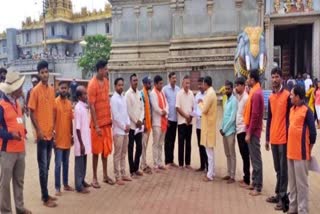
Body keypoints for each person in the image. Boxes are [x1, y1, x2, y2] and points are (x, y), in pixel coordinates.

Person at [0, 71, 32, 214]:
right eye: (20, 87)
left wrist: (23, 131)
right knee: (5, 183)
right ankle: (6, 211)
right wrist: (10, 135)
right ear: (14, 89)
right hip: (7, 151)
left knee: (19, 180)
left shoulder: (17, 103)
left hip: (20, 149)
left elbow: (18, 121)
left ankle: (19, 207)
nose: (22, 89)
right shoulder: (1, 105)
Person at [28, 60, 57, 207]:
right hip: (41, 136)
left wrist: (54, 129)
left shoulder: (51, 90)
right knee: (42, 167)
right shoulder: (35, 91)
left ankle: (46, 193)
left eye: (46, 72)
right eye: (42, 72)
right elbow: (31, 112)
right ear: (39, 74)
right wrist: (38, 131)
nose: (45, 74)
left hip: (50, 134)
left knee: (47, 167)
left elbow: (52, 110)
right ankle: (45, 198)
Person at [287, 85, 316, 214]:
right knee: (292, 184)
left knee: (302, 185)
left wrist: (308, 151)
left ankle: (303, 210)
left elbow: (313, 135)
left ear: (298, 97)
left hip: (301, 154)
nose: (290, 96)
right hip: (290, 153)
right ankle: (293, 208)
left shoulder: (307, 111)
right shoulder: (292, 110)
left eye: (292, 94)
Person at [265, 67, 291, 210]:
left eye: (276, 77)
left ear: (281, 78)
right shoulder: (270, 97)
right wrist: (267, 138)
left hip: (284, 139)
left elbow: (291, 118)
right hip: (274, 138)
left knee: (283, 169)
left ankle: (283, 198)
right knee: (277, 168)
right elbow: (269, 119)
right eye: (272, 77)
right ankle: (278, 194)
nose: (274, 79)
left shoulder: (287, 96)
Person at [87, 60, 114, 188]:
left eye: (106, 69)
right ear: (99, 70)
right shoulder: (92, 84)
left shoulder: (107, 82)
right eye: (104, 69)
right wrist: (96, 125)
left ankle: (104, 175)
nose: (106, 71)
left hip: (107, 122)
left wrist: (110, 117)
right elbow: (91, 106)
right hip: (97, 125)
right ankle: (94, 178)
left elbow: (107, 100)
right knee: (96, 151)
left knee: (105, 151)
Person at [243, 69, 264, 196]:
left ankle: (258, 186)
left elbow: (255, 116)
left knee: (256, 159)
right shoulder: (253, 91)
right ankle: (254, 181)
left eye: (248, 78)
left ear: (253, 79)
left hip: (254, 131)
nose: (247, 80)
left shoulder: (256, 93)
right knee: (253, 157)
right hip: (251, 129)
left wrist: (249, 133)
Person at [54, 81, 74, 196]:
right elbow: (52, 121)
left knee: (66, 163)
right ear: (58, 89)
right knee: (58, 165)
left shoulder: (69, 103)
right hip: (58, 139)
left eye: (65, 88)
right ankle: (57, 187)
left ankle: (65, 184)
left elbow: (71, 121)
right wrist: (54, 138)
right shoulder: (55, 103)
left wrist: (72, 135)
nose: (63, 90)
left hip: (67, 138)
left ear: (68, 90)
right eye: (62, 88)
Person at [111, 78, 132, 185]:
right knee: (118, 154)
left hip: (125, 130)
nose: (121, 87)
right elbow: (116, 116)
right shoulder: (113, 99)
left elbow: (126, 113)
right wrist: (124, 126)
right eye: (119, 85)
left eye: (122, 85)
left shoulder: (123, 97)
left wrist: (128, 124)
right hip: (118, 131)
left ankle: (124, 173)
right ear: (115, 86)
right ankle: (117, 175)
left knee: (124, 153)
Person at [125, 73, 145, 177]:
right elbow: (128, 111)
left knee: (140, 147)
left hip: (139, 126)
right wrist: (136, 121)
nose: (136, 82)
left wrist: (141, 120)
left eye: (137, 80)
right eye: (134, 80)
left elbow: (142, 108)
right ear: (130, 82)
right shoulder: (128, 94)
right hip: (132, 126)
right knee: (131, 147)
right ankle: (131, 170)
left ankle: (136, 168)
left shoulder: (139, 93)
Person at [198, 76, 217, 181]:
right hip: (209, 125)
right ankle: (212, 172)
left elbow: (204, 110)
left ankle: (210, 175)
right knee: (210, 151)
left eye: (203, 84)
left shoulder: (209, 94)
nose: (202, 86)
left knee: (209, 152)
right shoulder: (211, 93)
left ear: (206, 84)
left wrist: (200, 103)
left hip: (208, 126)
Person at [74, 85, 91, 194]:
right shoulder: (78, 108)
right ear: (80, 96)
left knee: (84, 161)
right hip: (80, 141)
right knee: (79, 163)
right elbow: (77, 128)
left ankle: (82, 180)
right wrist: (81, 144)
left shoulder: (84, 106)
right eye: (84, 94)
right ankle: (78, 186)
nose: (86, 95)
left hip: (85, 139)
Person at [220, 80, 237, 184]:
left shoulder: (234, 100)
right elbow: (224, 116)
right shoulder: (226, 100)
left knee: (232, 154)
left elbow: (232, 118)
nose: (227, 90)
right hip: (224, 131)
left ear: (232, 88)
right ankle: (228, 172)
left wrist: (225, 129)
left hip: (230, 131)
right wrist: (221, 128)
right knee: (227, 154)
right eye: (225, 88)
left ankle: (233, 176)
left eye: (228, 88)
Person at [150, 75, 168, 172]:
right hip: (157, 122)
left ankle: (160, 162)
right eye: (160, 84)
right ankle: (155, 163)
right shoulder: (153, 93)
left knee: (161, 143)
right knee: (156, 144)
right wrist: (163, 112)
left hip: (163, 121)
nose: (161, 85)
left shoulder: (162, 93)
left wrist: (166, 111)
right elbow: (155, 107)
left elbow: (167, 104)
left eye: (162, 83)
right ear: (155, 84)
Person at [234, 77, 250, 188]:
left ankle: (247, 179)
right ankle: (245, 176)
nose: (236, 88)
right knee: (243, 154)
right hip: (239, 129)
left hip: (243, 129)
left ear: (243, 86)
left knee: (245, 155)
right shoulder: (239, 97)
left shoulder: (246, 98)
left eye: (237, 86)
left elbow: (247, 115)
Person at [176, 75, 194, 169]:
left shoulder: (191, 93)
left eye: (188, 83)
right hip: (181, 122)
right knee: (181, 143)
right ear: (182, 83)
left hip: (189, 122)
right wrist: (186, 116)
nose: (187, 85)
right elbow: (177, 108)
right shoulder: (179, 94)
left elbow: (193, 107)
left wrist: (190, 117)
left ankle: (187, 163)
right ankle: (180, 164)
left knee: (188, 143)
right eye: (186, 83)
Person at [162, 72, 180, 167]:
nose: (174, 79)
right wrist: (166, 118)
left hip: (176, 118)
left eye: (175, 78)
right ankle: (167, 161)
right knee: (167, 140)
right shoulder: (165, 89)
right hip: (168, 119)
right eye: (173, 78)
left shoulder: (178, 89)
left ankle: (172, 160)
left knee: (173, 140)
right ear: (169, 79)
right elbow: (164, 104)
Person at [194, 77, 208, 172]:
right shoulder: (197, 95)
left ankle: (208, 166)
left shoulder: (208, 95)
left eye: (201, 84)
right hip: (198, 124)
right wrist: (194, 113)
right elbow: (195, 108)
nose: (199, 87)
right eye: (198, 85)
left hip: (205, 124)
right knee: (200, 145)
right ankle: (202, 165)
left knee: (206, 145)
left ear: (204, 84)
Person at [140, 76, 153, 174]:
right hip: (144, 124)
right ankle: (142, 165)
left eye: (150, 83)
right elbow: (141, 109)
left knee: (145, 145)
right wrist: (144, 122)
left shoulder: (148, 94)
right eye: (148, 83)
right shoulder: (142, 94)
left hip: (149, 123)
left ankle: (143, 163)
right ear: (144, 84)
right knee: (143, 145)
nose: (150, 85)